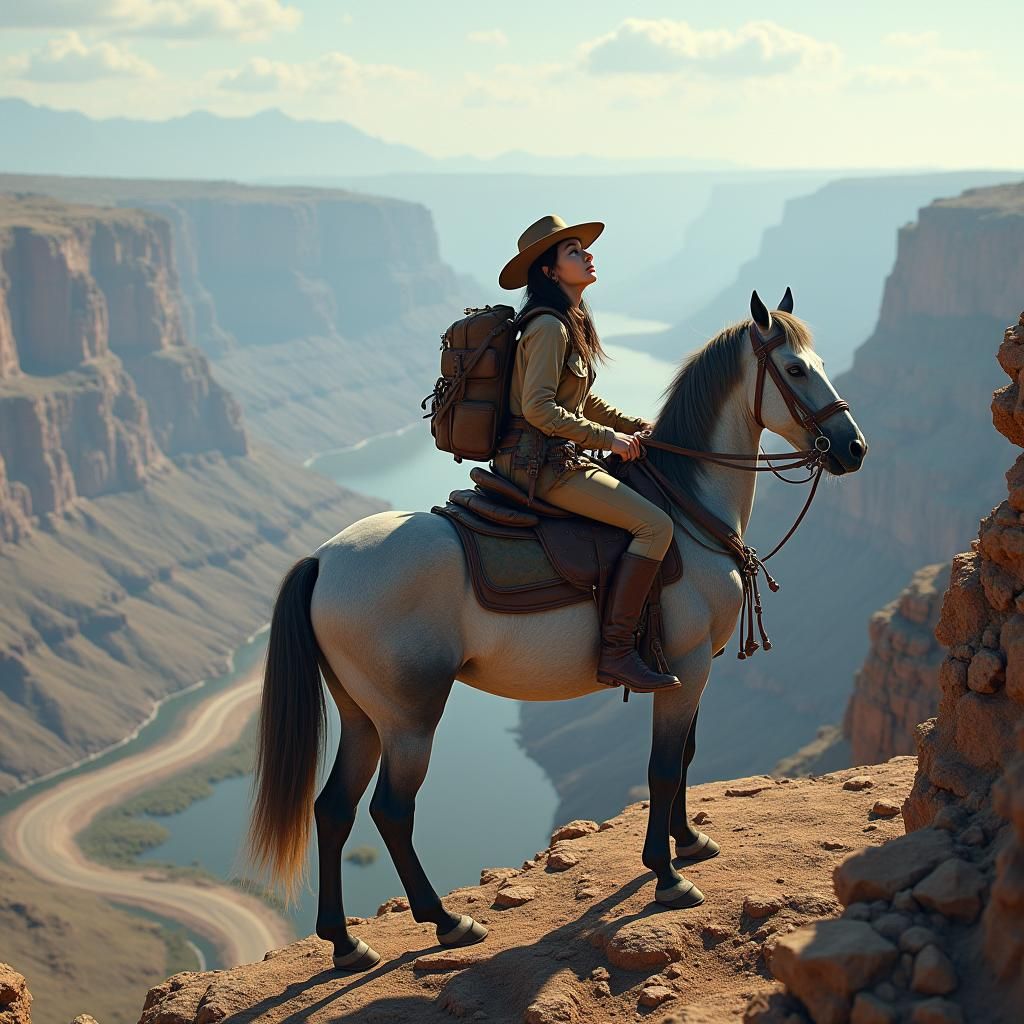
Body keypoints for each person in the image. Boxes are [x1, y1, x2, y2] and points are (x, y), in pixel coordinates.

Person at [491, 214, 680, 694]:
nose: (588, 255)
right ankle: (617, 652)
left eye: (583, 249)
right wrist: (609, 442)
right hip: (541, 464)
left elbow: (580, 400)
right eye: (573, 251)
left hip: (551, 455)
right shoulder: (549, 328)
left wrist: (635, 426)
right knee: (655, 525)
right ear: (550, 272)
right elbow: (539, 409)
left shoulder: (569, 322)